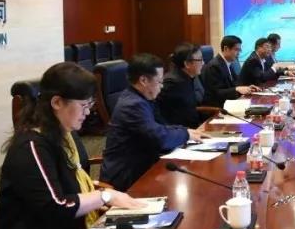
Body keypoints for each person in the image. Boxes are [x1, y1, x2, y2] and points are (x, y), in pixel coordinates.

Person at [0, 62, 145, 229]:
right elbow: (57, 206)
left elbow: (73, 185)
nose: (88, 112)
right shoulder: (32, 146)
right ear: (57, 102)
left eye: (90, 105)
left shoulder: (65, 137)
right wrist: (105, 197)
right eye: (84, 105)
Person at [101, 53, 204, 192]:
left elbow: (159, 127)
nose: (162, 86)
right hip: (127, 177)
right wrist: (185, 134)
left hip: (142, 165)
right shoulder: (133, 105)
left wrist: (184, 130)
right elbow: (159, 138)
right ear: (143, 80)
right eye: (159, 82)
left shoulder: (141, 99)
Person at [158, 42, 208, 129]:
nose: (203, 63)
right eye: (200, 60)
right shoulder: (172, 83)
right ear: (187, 64)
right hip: (180, 132)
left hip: (192, 129)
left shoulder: (189, 77)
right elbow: (160, 116)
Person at [202, 35, 258, 107]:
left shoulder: (228, 63)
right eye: (236, 49)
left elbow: (234, 84)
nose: (239, 53)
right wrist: (237, 89)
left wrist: (247, 87)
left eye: (240, 50)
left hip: (229, 102)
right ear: (226, 49)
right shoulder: (214, 66)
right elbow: (216, 93)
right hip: (218, 107)